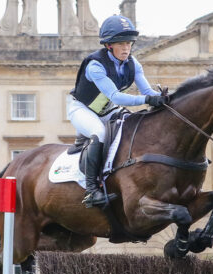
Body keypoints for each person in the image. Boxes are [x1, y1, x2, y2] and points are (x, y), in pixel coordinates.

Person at [68, 14, 167, 208]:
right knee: (100, 133)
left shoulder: (133, 63)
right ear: (108, 46)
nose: (126, 48)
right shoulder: (95, 65)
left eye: (129, 43)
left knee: (134, 126)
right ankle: (92, 191)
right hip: (82, 109)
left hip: (106, 110)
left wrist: (161, 98)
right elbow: (115, 96)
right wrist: (147, 100)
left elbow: (147, 91)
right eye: (121, 44)